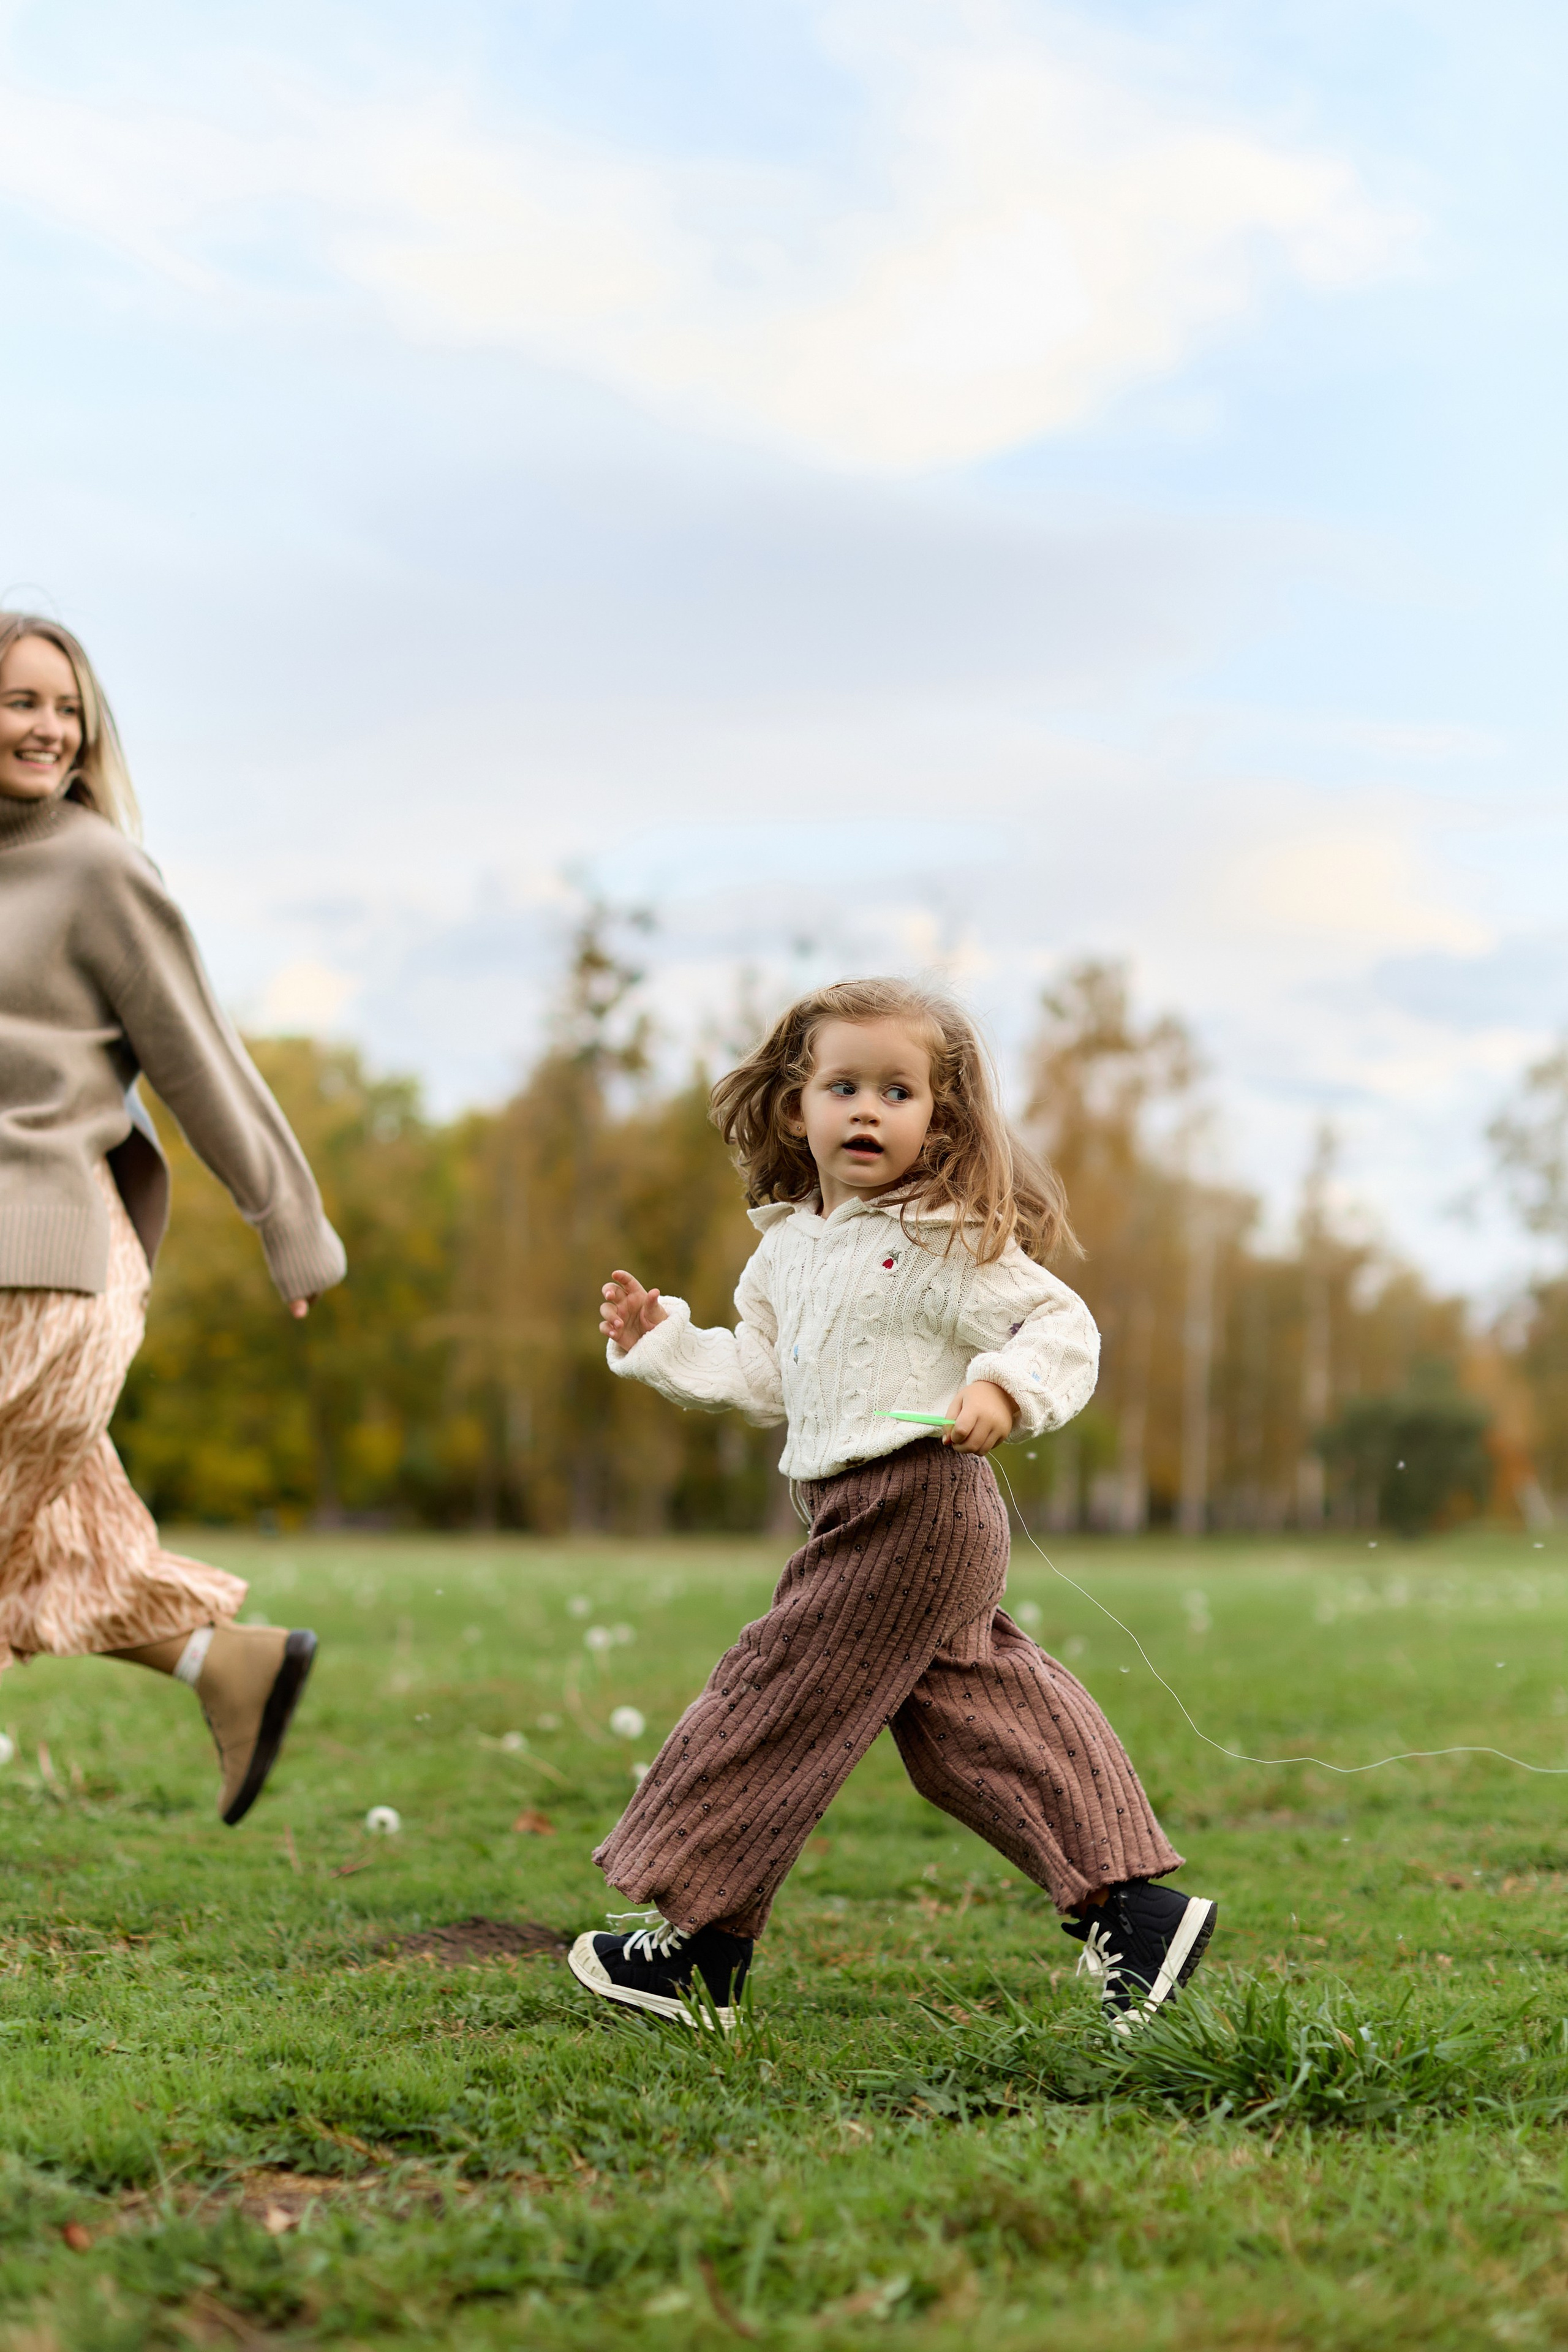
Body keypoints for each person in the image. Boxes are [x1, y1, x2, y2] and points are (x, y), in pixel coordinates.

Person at [571, 976, 1216, 2033]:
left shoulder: (945, 1236)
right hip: (853, 1515)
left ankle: (701, 1948)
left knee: (771, 1691)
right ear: (796, 1106)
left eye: (899, 1092)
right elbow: (767, 1376)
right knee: (970, 1725)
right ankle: (1136, 1912)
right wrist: (661, 1343)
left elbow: (1059, 1327)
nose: (867, 1110)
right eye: (843, 1086)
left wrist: (1002, 1389)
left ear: (940, 1118)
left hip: (917, 1506)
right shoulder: (785, 1249)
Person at [0, 611, 345, 1823]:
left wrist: (287, 1223)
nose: (46, 728)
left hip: (46, 1266)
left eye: (64, 707)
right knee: (63, 1552)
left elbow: (198, 1055)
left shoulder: (96, 868)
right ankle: (230, 1665)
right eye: (19, 702)